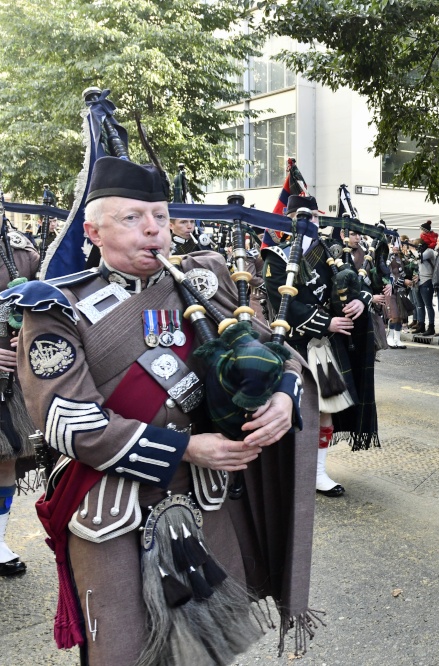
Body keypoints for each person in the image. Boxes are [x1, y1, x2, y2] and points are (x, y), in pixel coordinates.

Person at [11, 157, 317, 663]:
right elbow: (71, 423)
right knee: (123, 653)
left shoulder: (204, 279)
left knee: (210, 652)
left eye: (158, 214)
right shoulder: (58, 307)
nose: (153, 228)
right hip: (113, 509)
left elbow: (277, 353)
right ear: (93, 230)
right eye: (131, 217)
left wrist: (284, 396)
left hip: (206, 501)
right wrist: (187, 448)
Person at [263, 194, 358, 498]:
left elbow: (351, 283)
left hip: (322, 347)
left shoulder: (327, 251)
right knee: (291, 410)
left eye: (315, 217)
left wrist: (357, 298)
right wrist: (325, 322)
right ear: (289, 220)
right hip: (292, 345)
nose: (311, 223)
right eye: (305, 217)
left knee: (326, 409)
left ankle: (317, 473)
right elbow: (284, 304)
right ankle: (288, 470)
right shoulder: (275, 257)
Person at [0, 225, 39, 577]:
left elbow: (49, 304)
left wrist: (29, 336)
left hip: (10, 381)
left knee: (6, 458)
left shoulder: (22, 253)